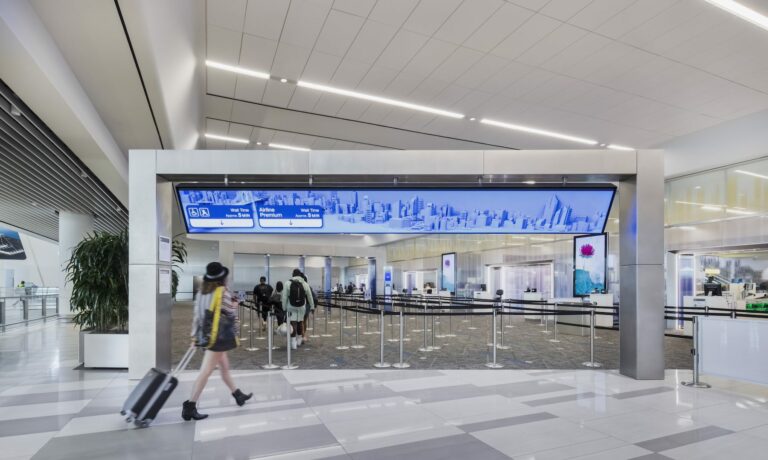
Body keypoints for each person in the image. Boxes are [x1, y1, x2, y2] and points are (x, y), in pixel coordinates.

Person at [183, 262, 252, 421]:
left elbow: (196, 316)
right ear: (222, 278)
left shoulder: (201, 293)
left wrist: (194, 337)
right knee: (206, 371)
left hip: (206, 335)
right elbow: (230, 311)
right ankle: (190, 406)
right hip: (217, 338)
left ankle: (238, 395)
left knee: (224, 367)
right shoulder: (221, 292)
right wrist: (236, 303)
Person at [281, 269, 314, 350]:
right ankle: (299, 340)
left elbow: (284, 297)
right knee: (300, 322)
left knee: (293, 324)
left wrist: (284, 307)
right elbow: (310, 296)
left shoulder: (287, 283)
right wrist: (312, 306)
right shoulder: (305, 284)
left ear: (293, 274)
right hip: (302, 306)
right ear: (300, 275)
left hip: (291, 306)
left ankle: (293, 343)